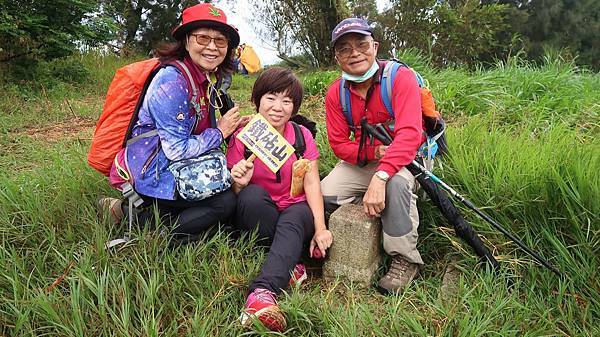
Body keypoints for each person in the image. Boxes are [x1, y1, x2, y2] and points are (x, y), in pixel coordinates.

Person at [98, 3, 248, 241]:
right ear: (186, 41)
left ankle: (131, 213)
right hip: (154, 169)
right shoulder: (172, 82)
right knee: (224, 202)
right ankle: (151, 232)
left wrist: (232, 127)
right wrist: (220, 132)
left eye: (220, 41)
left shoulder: (203, 78)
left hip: (174, 164)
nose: (212, 47)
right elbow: (177, 150)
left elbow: (194, 128)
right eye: (203, 38)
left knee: (225, 192)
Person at [320, 18, 425, 294]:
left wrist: (381, 174)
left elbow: (410, 136)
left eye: (361, 44)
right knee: (325, 193)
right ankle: (385, 209)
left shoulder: (400, 78)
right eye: (344, 48)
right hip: (369, 160)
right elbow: (339, 144)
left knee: (397, 184)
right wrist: (371, 153)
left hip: (407, 158)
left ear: (375, 46)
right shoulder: (336, 93)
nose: (354, 52)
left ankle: (404, 257)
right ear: (337, 57)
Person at [227, 67, 332, 332]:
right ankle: (290, 262)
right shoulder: (243, 136)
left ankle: (261, 295)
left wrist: (320, 228)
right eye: (271, 97)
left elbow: (312, 184)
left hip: (295, 211)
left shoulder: (301, 135)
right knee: (250, 195)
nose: (278, 107)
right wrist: (239, 182)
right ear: (258, 99)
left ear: (294, 107)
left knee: (296, 216)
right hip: (261, 217)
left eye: (287, 101)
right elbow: (236, 195)